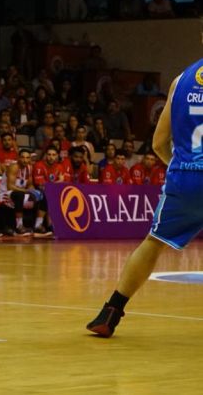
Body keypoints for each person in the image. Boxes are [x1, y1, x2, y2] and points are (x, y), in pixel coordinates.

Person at [87, 34, 203, 337]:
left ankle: (111, 311)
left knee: (153, 242)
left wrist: (183, 171)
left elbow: (158, 143)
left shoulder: (181, 81)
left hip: (185, 176)